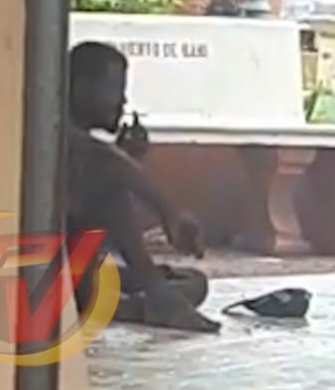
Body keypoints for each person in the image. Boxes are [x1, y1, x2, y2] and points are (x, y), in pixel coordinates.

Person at [66, 42, 220, 333]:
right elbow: (106, 162)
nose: (122, 102)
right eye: (115, 89)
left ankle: (136, 303)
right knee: (111, 191)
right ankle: (152, 299)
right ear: (81, 87)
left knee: (194, 282)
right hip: (56, 275)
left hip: (85, 272)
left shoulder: (93, 155)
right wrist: (168, 211)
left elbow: (105, 164)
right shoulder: (55, 132)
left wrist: (127, 155)